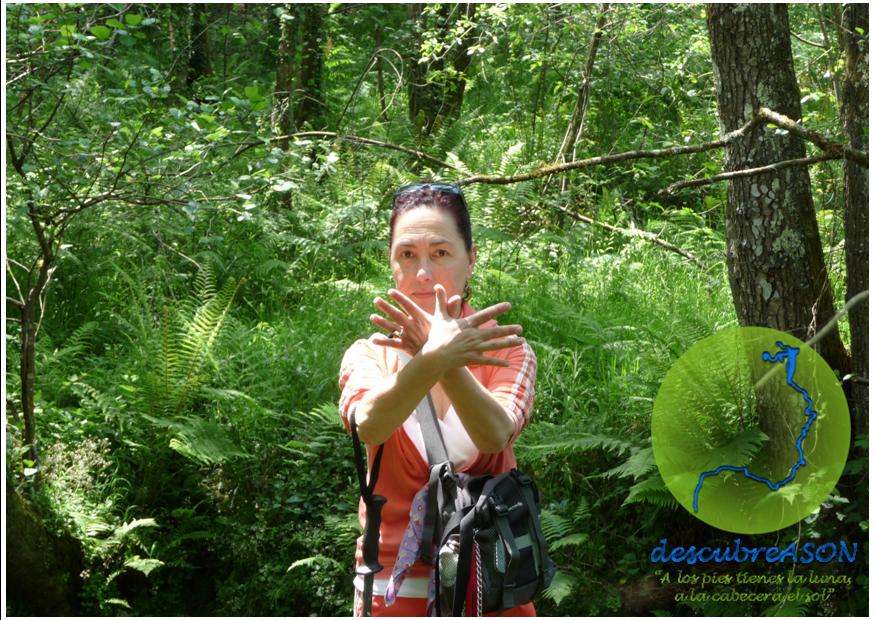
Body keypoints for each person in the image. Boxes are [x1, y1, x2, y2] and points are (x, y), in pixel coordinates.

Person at [339, 182, 537, 616]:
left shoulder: (507, 350)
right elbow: (369, 423)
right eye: (407, 254)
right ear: (391, 264)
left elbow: (496, 433)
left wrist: (444, 358)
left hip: (491, 586)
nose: (423, 272)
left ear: (472, 259)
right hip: (391, 592)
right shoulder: (368, 354)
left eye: (441, 253)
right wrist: (433, 357)